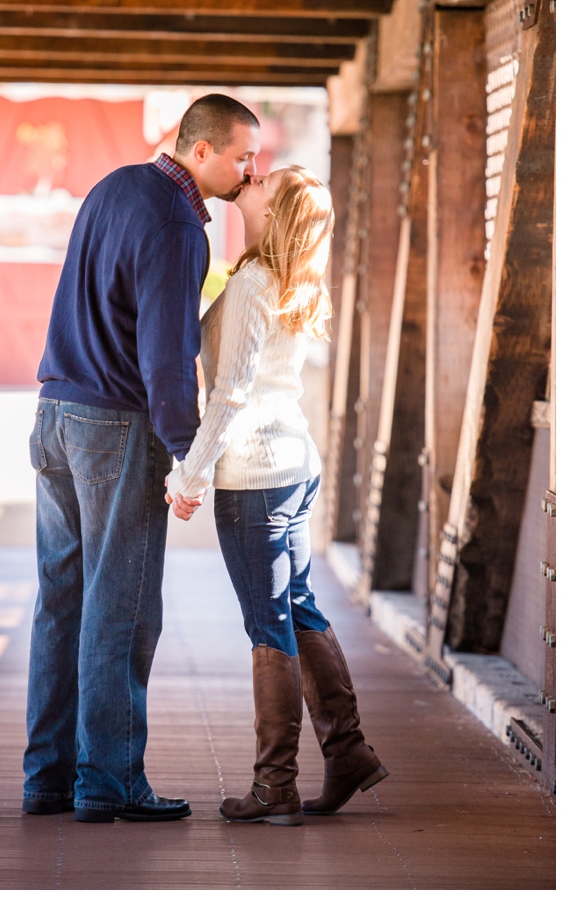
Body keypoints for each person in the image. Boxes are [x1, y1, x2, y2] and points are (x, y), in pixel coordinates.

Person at [22, 93, 260, 823]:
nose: (249, 173)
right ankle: (110, 781)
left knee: (61, 600)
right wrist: (187, 454)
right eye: (241, 156)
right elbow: (166, 357)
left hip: (55, 413)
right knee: (124, 607)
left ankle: (48, 778)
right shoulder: (180, 225)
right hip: (115, 425)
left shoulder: (112, 186)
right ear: (200, 149)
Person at [167, 167, 388, 826]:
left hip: (258, 476)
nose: (253, 176)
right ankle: (347, 752)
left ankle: (275, 783)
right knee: (295, 604)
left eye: (268, 178)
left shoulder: (258, 282)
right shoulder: (276, 276)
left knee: (270, 624)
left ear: (277, 211)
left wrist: (190, 475)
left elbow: (231, 391)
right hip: (291, 464)